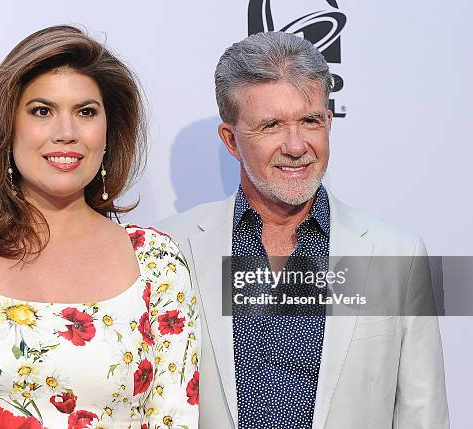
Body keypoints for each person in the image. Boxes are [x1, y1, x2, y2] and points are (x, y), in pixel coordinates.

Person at [0, 25, 200, 429]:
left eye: (86, 112)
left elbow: (173, 418)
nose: (66, 134)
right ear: (7, 126)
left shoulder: (157, 262)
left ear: (108, 130)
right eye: (41, 111)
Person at [158, 31, 448, 428]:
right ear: (230, 140)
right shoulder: (169, 249)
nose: (296, 146)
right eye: (271, 125)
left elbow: (423, 413)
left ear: (329, 122)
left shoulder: (396, 252)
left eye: (310, 121)